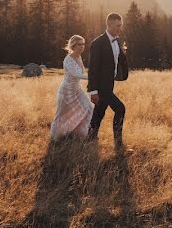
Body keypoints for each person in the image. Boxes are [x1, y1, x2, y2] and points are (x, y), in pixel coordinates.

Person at [86, 12, 130, 151]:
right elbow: (92, 69)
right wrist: (93, 91)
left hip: (109, 84)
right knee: (120, 109)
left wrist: (123, 54)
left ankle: (89, 139)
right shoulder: (97, 43)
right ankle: (118, 145)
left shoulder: (117, 41)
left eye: (121, 25)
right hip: (101, 87)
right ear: (109, 25)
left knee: (99, 113)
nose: (120, 28)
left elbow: (116, 61)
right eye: (118, 25)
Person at [49, 35, 95, 140]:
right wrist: (94, 78)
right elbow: (77, 74)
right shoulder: (68, 59)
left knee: (89, 108)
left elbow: (84, 72)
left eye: (83, 44)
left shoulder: (79, 57)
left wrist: (94, 75)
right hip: (66, 92)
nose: (82, 46)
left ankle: (80, 134)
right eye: (79, 44)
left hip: (77, 90)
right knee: (61, 115)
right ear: (73, 46)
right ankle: (56, 138)